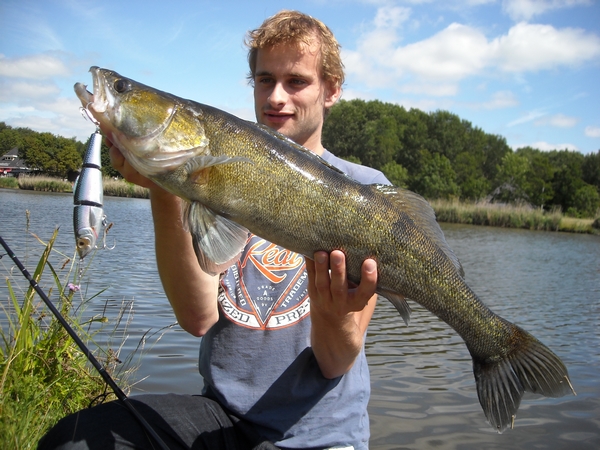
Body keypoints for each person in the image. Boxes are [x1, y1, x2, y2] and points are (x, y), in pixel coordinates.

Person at [39, 10, 391, 450]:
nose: (276, 96)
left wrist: (334, 314)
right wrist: (165, 187)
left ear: (331, 90)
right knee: (74, 441)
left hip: (318, 434)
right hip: (222, 418)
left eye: (296, 81)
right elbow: (198, 318)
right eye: (265, 80)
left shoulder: (367, 193)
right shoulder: (207, 172)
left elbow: (335, 360)